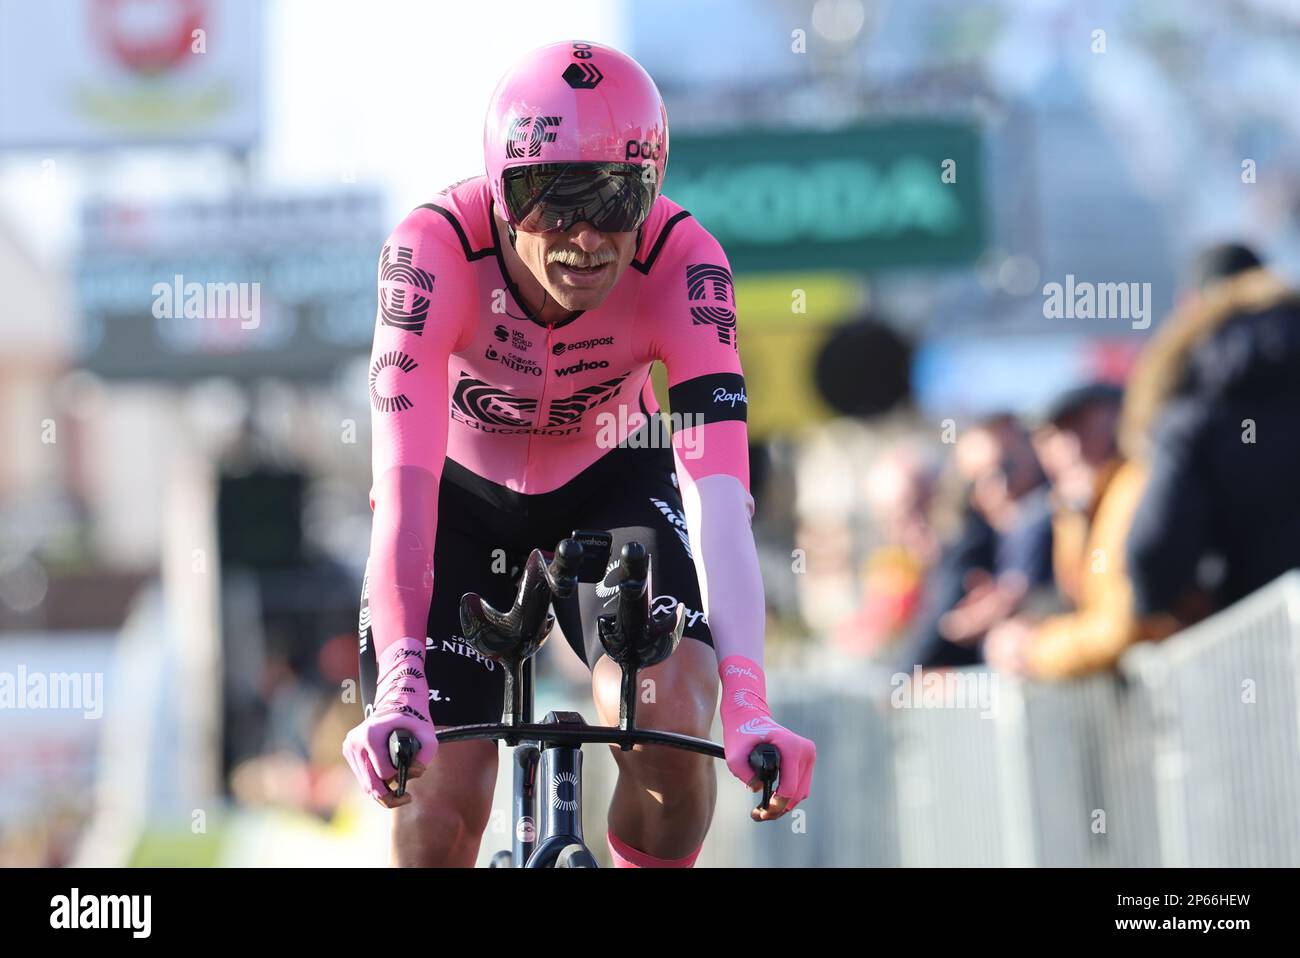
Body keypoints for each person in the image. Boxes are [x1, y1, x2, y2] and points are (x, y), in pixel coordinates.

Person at [340, 41, 815, 868]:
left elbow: (719, 499)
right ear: (498, 191)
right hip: (455, 502)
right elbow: (403, 491)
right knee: (436, 810)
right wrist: (398, 687)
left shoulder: (685, 262)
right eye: (548, 199)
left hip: (612, 482)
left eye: (615, 198)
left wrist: (748, 702)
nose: (585, 236)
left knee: (667, 727)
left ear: (653, 190)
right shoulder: (431, 253)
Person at [1121, 243, 1300, 627]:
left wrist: (1160, 602)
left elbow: (1156, 557)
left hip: (1262, 652)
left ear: (1189, 306)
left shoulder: (1193, 405)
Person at [984, 384, 1155, 678]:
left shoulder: (1135, 488)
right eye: (1053, 435)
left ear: (1119, 418)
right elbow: (1086, 610)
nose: (1071, 448)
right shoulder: (1072, 510)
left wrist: (1034, 649)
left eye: (1082, 426)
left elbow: (1120, 628)